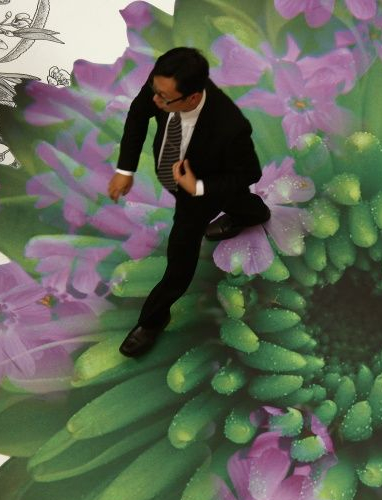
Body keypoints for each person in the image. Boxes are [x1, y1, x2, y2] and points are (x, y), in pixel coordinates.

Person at [107, 47, 270, 357]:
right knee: (242, 204)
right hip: (184, 177)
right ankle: (254, 212)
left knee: (179, 261)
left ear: (193, 98)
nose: (155, 100)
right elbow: (138, 114)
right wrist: (125, 170)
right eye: (154, 90)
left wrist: (197, 187)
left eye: (163, 98)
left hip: (201, 190)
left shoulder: (230, 126)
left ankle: (152, 322)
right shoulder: (165, 85)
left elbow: (249, 173)